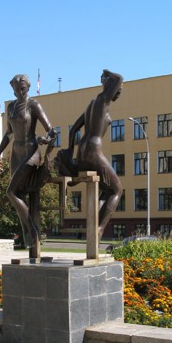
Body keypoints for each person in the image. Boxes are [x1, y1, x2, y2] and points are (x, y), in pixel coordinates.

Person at [0, 74, 56, 255]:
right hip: (16, 154)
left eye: (23, 89)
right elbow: (8, 134)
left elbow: (51, 130)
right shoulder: (11, 107)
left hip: (31, 153)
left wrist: (46, 138)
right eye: (16, 89)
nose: (19, 92)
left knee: (11, 192)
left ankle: (32, 231)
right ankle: (28, 235)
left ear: (28, 88)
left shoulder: (34, 105)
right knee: (18, 194)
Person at [55, 69, 124, 240]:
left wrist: (70, 150)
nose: (119, 92)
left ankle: (96, 222)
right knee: (117, 190)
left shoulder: (91, 105)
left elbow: (73, 130)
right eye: (118, 90)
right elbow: (119, 78)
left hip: (82, 151)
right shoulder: (102, 100)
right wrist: (106, 74)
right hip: (94, 151)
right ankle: (98, 228)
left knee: (106, 189)